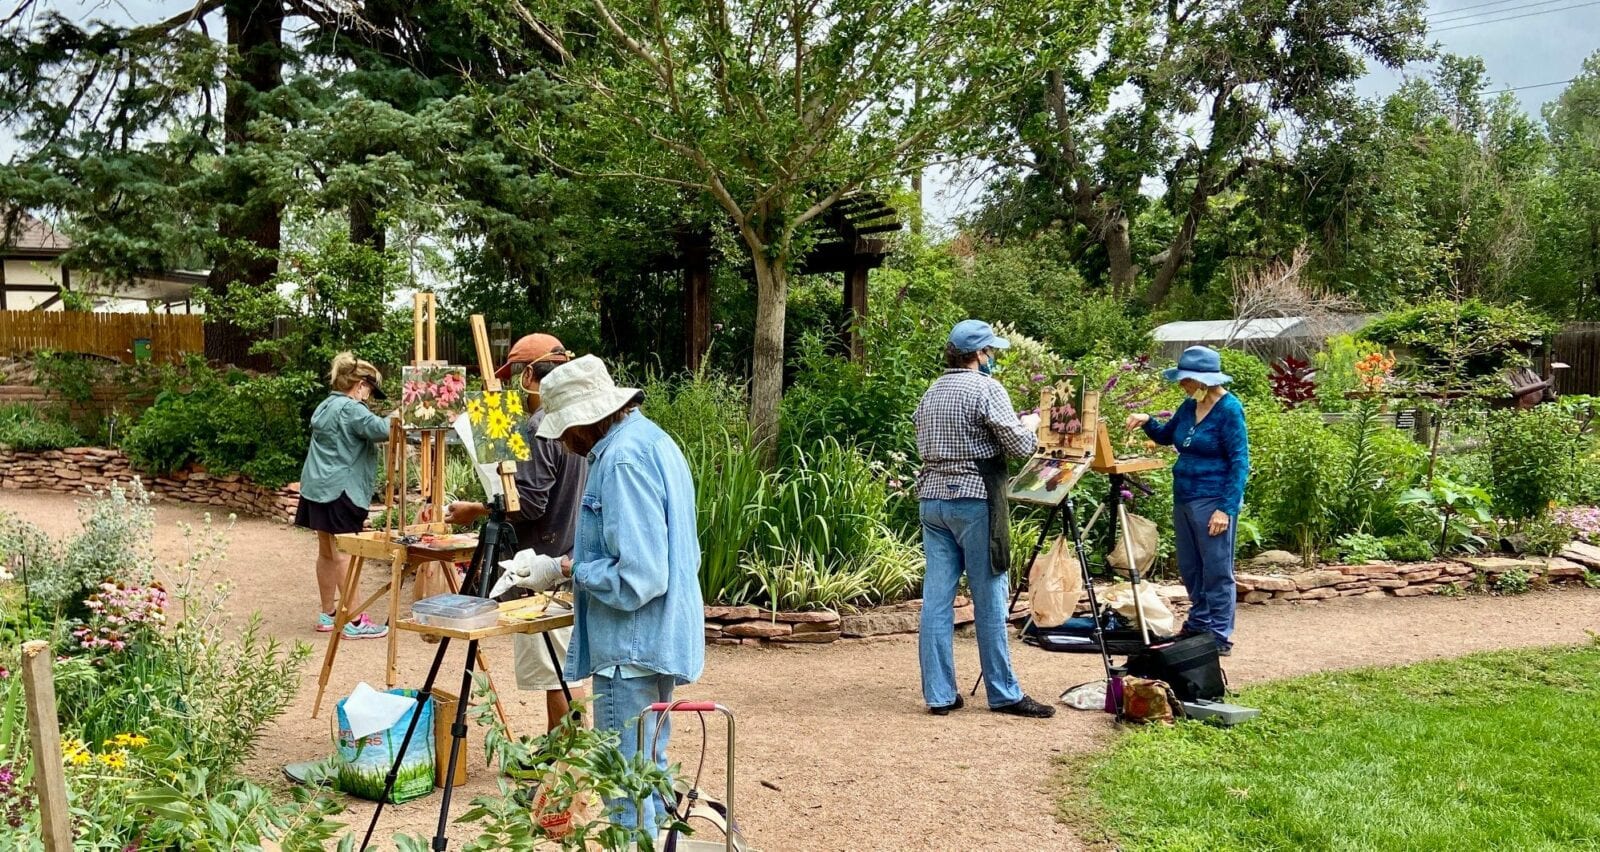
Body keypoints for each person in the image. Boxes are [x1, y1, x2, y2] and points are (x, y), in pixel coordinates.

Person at [500, 354, 703, 830]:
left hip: (629, 647)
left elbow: (640, 578)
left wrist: (572, 571)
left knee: (623, 795)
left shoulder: (622, 460)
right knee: (647, 777)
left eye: (566, 431)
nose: (566, 444)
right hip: (656, 639)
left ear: (585, 419)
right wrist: (566, 568)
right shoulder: (652, 440)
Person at [912, 320, 1054, 719]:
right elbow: (1022, 445)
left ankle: (940, 695)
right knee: (990, 595)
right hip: (976, 500)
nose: (992, 356)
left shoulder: (932, 391)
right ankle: (1004, 692)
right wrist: (1029, 425)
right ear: (978, 354)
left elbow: (922, 437)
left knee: (936, 602)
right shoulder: (987, 388)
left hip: (932, 501)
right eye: (990, 350)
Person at [447, 333, 589, 731]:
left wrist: (478, 509)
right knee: (565, 669)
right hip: (570, 551)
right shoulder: (580, 416)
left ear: (528, 376)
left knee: (559, 672)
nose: (510, 389)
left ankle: (565, 763)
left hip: (544, 561)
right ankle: (559, 755)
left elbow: (529, 503)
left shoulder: (541, 426)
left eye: (513, 378)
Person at [1124, 345, 1250, 656]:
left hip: (1213, 501)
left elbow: (1240, 462)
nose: (1181, 384)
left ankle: (1219, 636)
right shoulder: (1189, 406)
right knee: (1191, 567)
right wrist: (1146, 420)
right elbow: (1168, 436)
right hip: (1184, 497)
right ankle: (1198, 623)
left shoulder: (1229, 410)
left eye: (1185, 380)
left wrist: (1226, 508)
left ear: (1203, 379)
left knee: (1217, 570)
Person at [294, 352, 391, 640]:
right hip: (341, 491)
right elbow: (382, 429)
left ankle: (329, 613)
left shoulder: (326, 405)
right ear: (360, 384)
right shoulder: (351, 408)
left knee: (326, 551)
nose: (369, 398)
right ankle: (355, 619)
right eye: (370, 390)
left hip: (316, 488)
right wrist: (409, 410)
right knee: (345, 554)